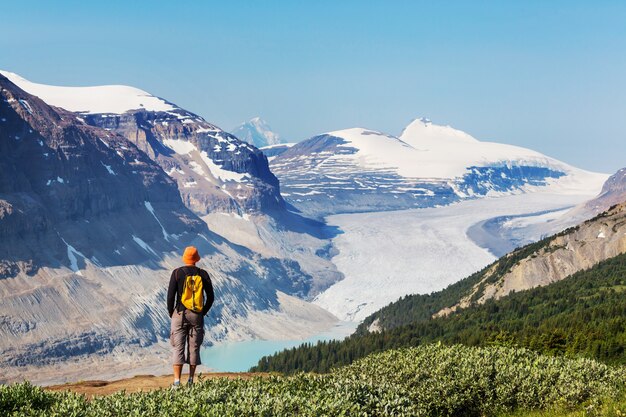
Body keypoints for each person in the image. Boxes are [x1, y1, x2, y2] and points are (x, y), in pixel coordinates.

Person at [167, 246, 214, 387]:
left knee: (178, 347)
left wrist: (172, 313)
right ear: (196, 259)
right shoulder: (203, 274)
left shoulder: (177, 273)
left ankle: (176, 382)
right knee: (194, 348)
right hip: (197, 316)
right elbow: (211, 297)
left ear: (184, 258)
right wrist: (202, 312)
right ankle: (191, 380)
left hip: (180, 314)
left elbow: (170, 296)